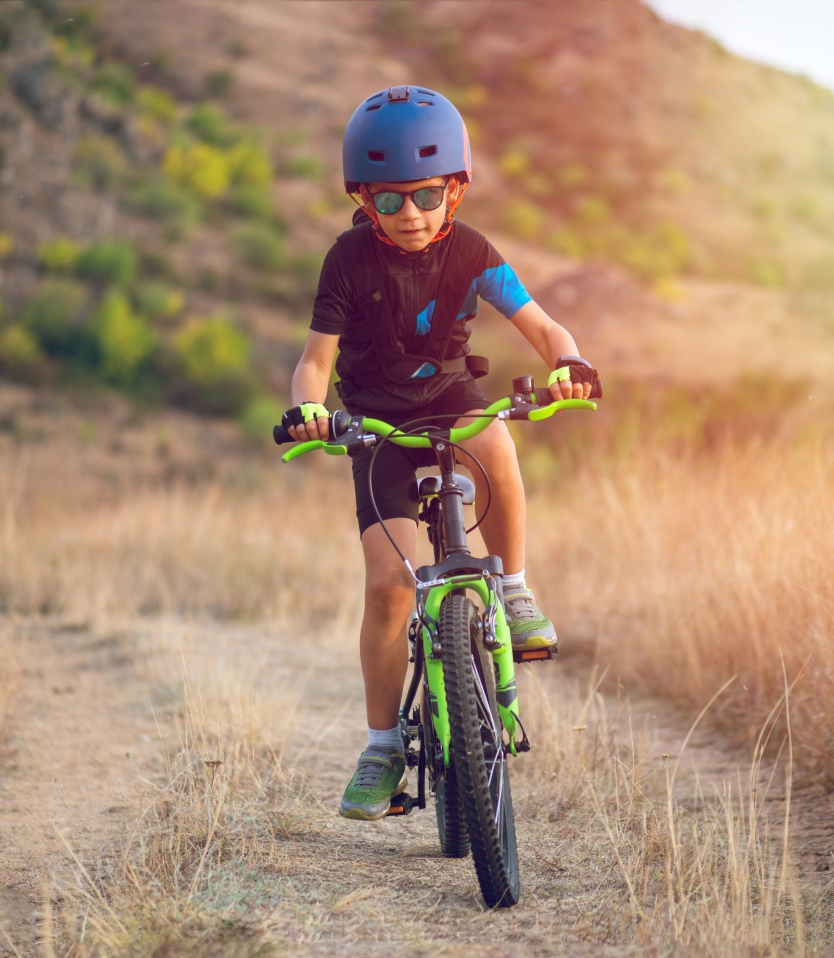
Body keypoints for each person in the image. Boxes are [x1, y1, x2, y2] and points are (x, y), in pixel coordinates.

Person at [280, 85, 602, 821]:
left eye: (427, 194)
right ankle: (383, 746)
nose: (411, 215)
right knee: (391, 585)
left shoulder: (475, 253)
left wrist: (570, 363)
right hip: (376, 427)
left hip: (454, 408)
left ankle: (514, 588)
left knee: (496, 430)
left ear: (455, 188)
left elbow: (545, 328)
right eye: (389, 201)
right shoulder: (348, 261)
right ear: (362, 199)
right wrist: (309, 409)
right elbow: (313, 362)